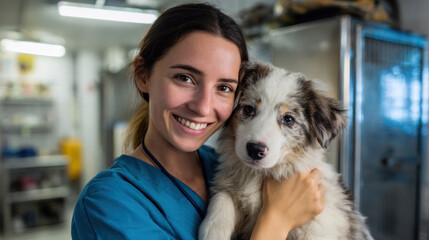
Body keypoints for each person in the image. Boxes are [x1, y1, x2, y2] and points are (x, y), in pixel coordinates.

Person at [71, 3, 324, 240]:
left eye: (224, 87)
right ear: (143, 76)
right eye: (184, 78)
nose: (203, 106)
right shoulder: (108, 203)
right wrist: (276, 220)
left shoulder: (228, 166)